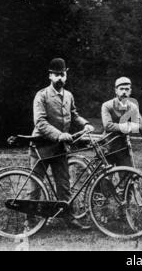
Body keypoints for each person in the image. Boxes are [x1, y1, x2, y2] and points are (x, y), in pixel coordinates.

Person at [28, 58, 95, 230]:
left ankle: (69, 218)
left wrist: (85, 123)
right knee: (35, 186)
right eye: (56, 75)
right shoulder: (41, 96)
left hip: (60, 149)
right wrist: (59, 135)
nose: (60, 78)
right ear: (50, 75)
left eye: (62, 75)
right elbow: (40, 122)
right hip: (41, 147)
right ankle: (30, 221)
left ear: (66, 75)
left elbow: (73, 114)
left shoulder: (68, 95)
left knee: (64, 185)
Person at [101, 77, 142, 167]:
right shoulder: (107, 106)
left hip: (123, 147)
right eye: (121, 89)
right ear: (116, 91)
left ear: (130, 91)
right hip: (108, 145)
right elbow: (108, 125)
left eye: (127, 89)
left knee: (127, 176)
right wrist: (129, 126)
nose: (124, 92)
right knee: (105, 178)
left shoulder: (132, 106)